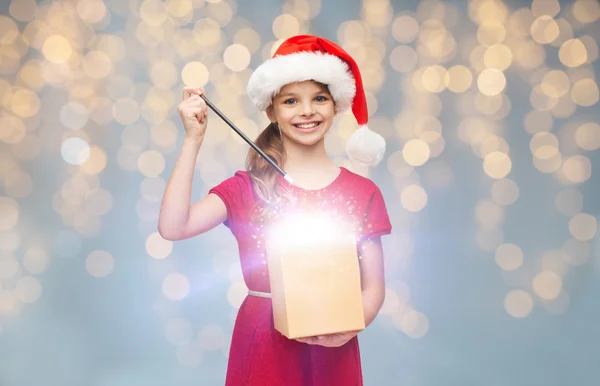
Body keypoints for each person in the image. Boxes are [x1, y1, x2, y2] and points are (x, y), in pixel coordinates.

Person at [158, 35, 392, 386]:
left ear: (336, 105)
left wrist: (351, 325)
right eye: (291, 101)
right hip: (263, 345)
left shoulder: (363, 192)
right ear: (272, 110)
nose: (307, 111)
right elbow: (174, 227)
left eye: (319, 98)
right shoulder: (247, 187)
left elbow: (373, 287)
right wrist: (193, 139)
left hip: (335, 344)